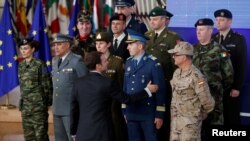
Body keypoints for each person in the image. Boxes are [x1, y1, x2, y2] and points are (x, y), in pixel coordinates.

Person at [70, 51, 158, 141]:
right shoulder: (107, 83)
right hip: (102, 133)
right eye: (104, 61)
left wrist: (73, 131)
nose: (108, 62)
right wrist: (147, 91)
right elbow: (127, 99)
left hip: (83, 132)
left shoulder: (78, 83)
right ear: (98, 66)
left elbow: (74, 110)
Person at [193, 18, 233, 140]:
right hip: (196, 98)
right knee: (197, 130)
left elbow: (229, 74)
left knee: (215, 129)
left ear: (210, 30)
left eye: (202, 29)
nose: (198, 32)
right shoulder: (193, 49)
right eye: (197, 30)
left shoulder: (220, 50)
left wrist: (218, 88)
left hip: (214, 96)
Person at [123, 29, 166, 141]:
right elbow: (125, 87)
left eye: (131, 44)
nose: (128, 47)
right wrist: (124, 110)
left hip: (147, 113)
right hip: (131, 111)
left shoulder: (153, 63)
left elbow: (160, 90)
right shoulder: (128, 62)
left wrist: (159, 114)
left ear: (140, 46)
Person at [145, 6, 181, 141]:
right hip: (147, 86)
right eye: (151, 19)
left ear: (163, 20)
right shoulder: (147, 36)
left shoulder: (173, 38)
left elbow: (177, 65)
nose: (152, 22)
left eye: (155, 19)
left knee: (163, 122)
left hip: (164, 86)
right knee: (149, 121)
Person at [168, 41, 215, 141]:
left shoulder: (196, 76)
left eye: (176, 55)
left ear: (184, 57)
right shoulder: (176, 73)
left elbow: (207, 101)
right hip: (175, 123)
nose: (173, 57)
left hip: (190, 125)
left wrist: (197, 115)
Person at [212, 9, 247, 125]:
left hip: (230, 87)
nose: (218, 22)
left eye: (221, 20)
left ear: (229, 22)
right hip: (216, 87)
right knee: (217, 117)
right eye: (216, 20)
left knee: (231, 117)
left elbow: (241, 64)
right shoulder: (213, 38)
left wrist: (237, 87)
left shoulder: (238, 39)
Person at [51, 34, 88, 141]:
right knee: (60, 139)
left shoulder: (77, 61)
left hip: (71, 110)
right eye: (55, 45)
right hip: (57, 108)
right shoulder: (54, 61)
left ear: (67, 45)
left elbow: (84, 85)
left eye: (59, 44)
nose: (56, 47)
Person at [18, 37, 52, 141]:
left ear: (32, 49)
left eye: (26, 48)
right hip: (26, 107)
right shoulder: (21, 66)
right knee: (29, 136)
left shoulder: (39, 64)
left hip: (38, 107)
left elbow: (47, 84)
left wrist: (47, 103)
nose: (23, 51)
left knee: (40, 136)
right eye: (22, 48)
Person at [95, 31, 127, 141]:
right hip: (98, 107)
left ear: (108, 44)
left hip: (114, 107)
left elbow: (122, 85)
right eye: (97, 43)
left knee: (116, 134)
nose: (98, 46)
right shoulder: (93, 60)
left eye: (101, 43)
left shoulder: (117, 62)